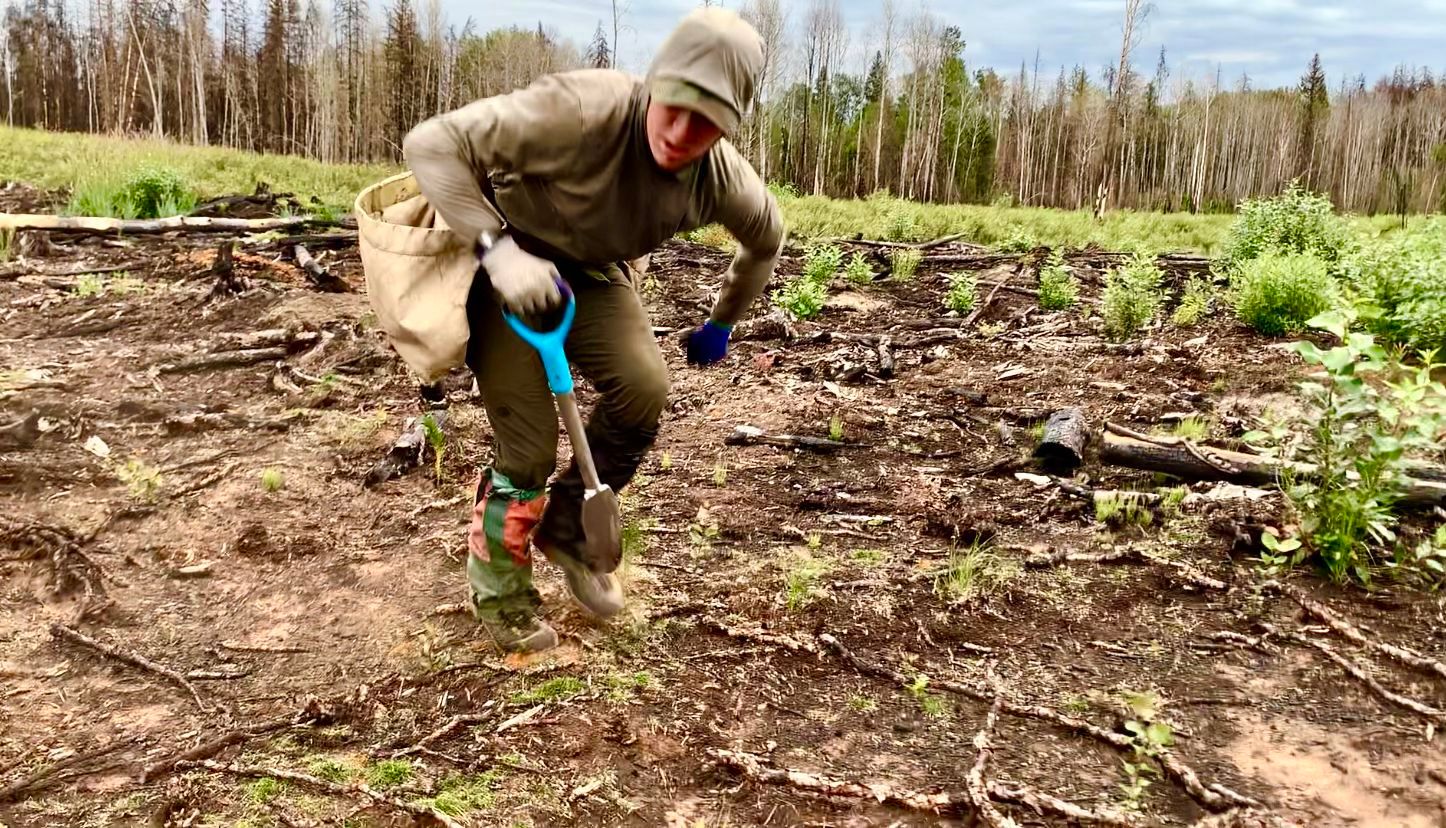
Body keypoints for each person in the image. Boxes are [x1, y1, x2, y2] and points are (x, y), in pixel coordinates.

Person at [402, 7, 785, 653]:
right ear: (654, 84)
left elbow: (765, 242)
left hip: (589, 268)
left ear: (730, 124)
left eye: (709, 120)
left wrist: (721, 323)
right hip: (506, 254)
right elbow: (431, 143)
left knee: (643, 389)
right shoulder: (580, 112)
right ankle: (501, 588)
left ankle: (569, 532)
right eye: (675, 105)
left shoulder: (721, 179)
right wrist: (498, 252)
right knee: (527, 446)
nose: (683, 131)